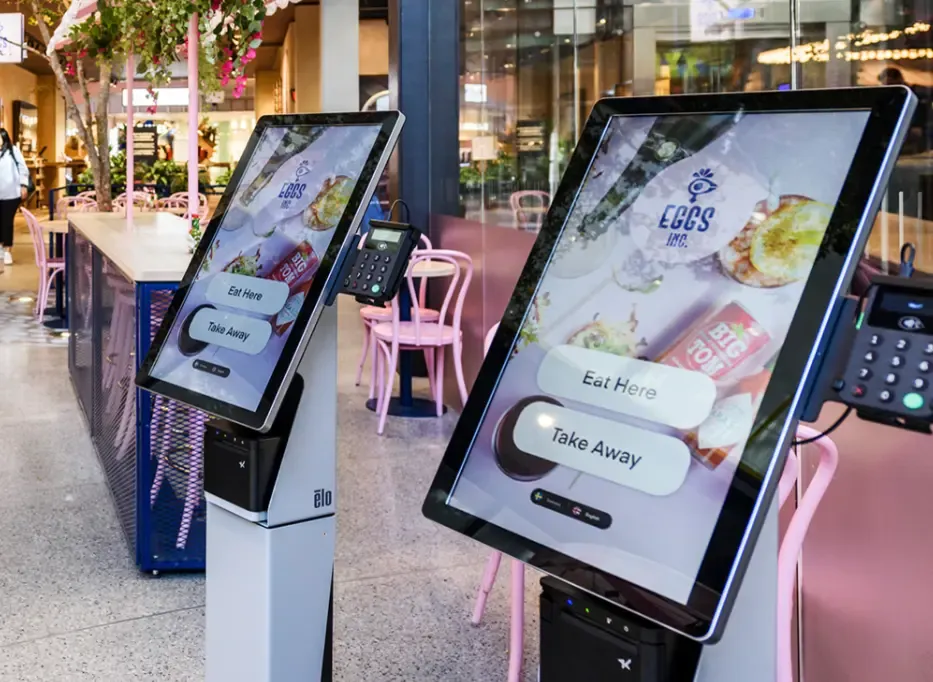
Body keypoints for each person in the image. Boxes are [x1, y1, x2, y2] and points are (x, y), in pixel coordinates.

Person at [0, 128, 30, 266]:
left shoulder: (13, 151)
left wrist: (23, 185)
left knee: (7, 221)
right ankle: (1, 247)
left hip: (11, 193)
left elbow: (23, 168)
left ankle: (7, 250)